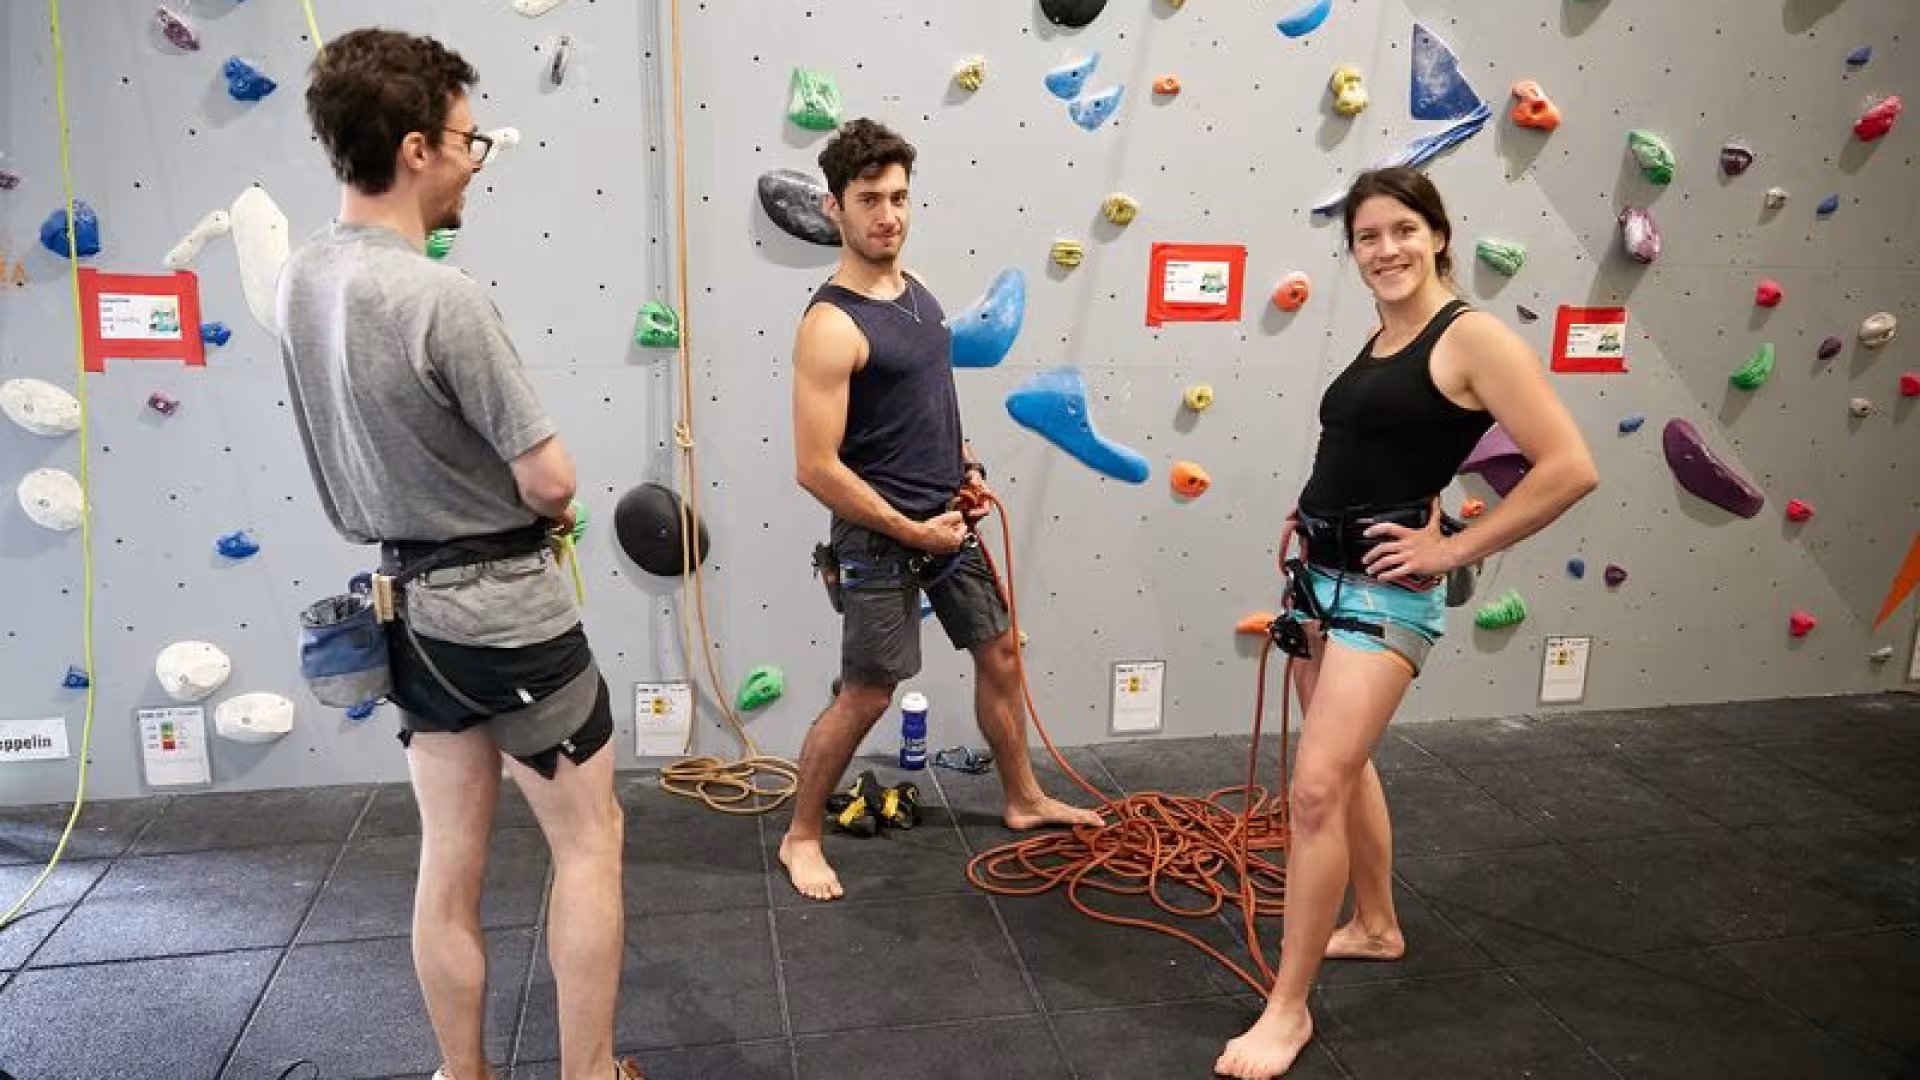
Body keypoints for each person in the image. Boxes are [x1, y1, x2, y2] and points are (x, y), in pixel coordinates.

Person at [280, 30, 637, 1080]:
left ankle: (461, 1074)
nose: (478, 162)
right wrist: (537, 499)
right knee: (590, 843)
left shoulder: (304, 280)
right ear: (415, 148)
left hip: (408, 614)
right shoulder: (445, 297)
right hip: (507, 614)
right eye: (471, 142)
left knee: (449, 859)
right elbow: (552, 480)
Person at [1215, 167, 1599, 1079]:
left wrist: (1453, 550)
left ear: (1437, 233)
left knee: (1312, 792)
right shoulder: (1384, 334)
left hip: (1387, 596)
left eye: (1401, 230)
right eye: (1367, 237)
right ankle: (1377, 924)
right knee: (1340, 774)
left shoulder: (1472, 337)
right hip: (1321, 576)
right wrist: (1305, 515)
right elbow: (1363, 448)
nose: (1384, 250)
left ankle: (1288, 1010)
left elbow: (1569, 466)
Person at [782, 117, 1103, 902]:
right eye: (868, 199)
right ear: (834, 208)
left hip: (944, 523)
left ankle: (1023, 797)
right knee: (867, 691)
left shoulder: (914, 292)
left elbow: (928, 399)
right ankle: (800, 835)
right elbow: (814, 468)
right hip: (880, 537)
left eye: (897, 197)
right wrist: (908, 526)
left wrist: (962, 462)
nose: (887, 214)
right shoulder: (831, 325)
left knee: (1000, 655)